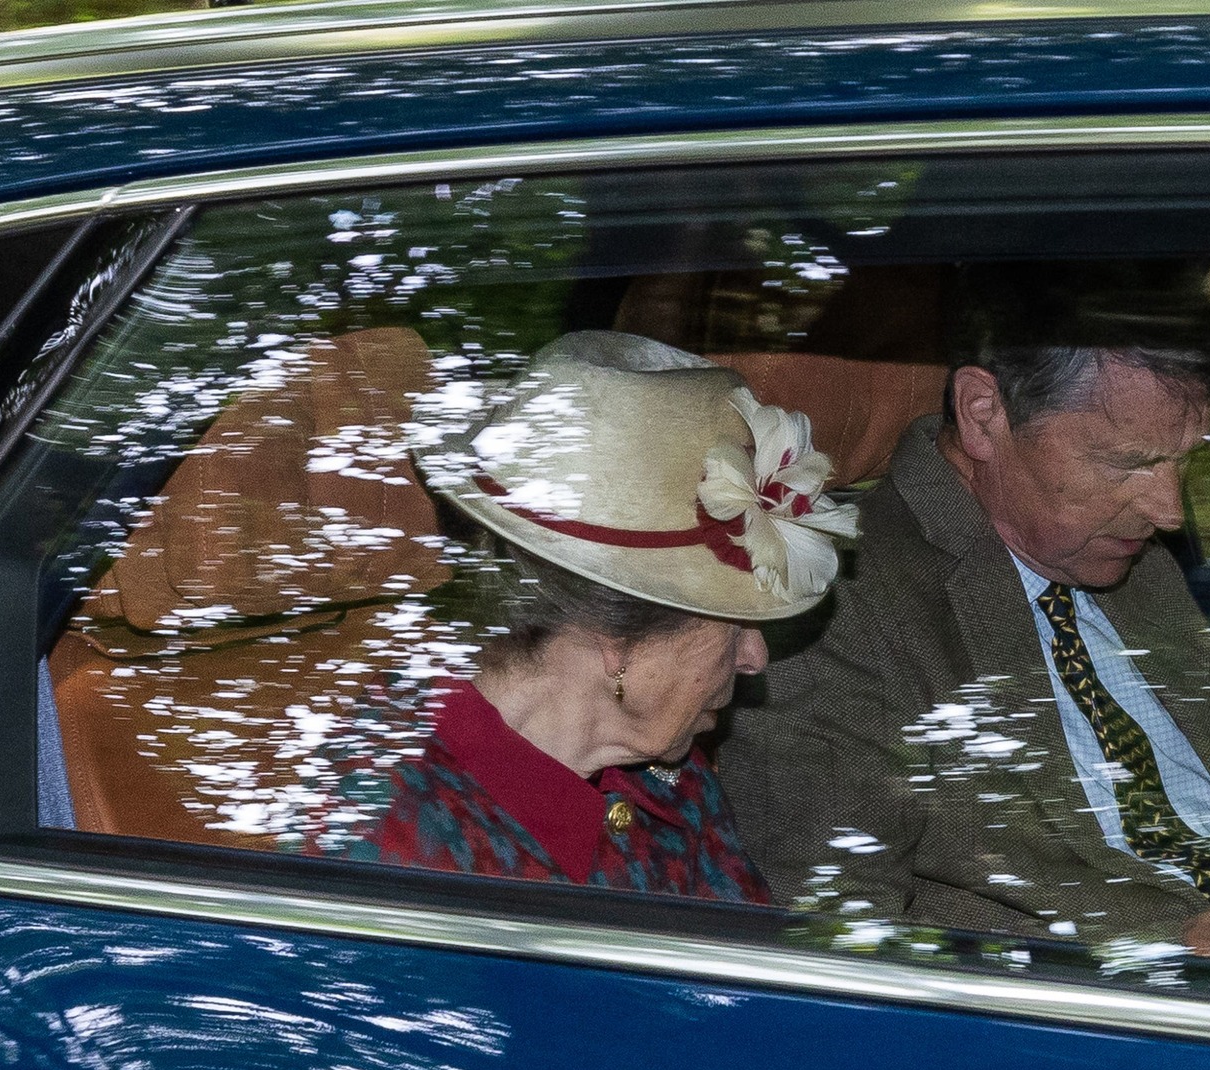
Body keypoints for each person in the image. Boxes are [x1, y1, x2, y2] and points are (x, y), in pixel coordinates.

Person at [718, 264, 1210, 970]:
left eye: (1183, 463)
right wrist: (1181, 954)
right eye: (1126, 463)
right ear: (983, 414)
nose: (1168, 512)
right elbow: (835, 937)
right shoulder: (836, 602)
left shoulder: (1133, 566)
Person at [321, 330, 855, 903]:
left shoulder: (670, 776)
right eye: (732, 623)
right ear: (614, 642)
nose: (755, 657)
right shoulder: (391, 836)